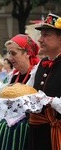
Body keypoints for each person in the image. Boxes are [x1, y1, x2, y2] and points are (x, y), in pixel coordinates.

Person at [0, 34, 40, 150]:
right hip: (7, 131)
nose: (10, 58)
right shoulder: (11, 76)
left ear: (27, 53)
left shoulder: (37, 75)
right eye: (9, 53)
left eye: (13, 53)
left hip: (26, 132)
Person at [27, 13, 61, 150]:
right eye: (41, 35)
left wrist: (50, 100)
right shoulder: (41, 64)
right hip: (37, 134)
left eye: (46, 35)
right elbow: (27, 91)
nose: (40, 40)